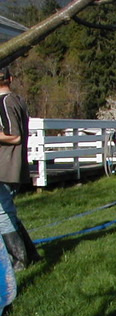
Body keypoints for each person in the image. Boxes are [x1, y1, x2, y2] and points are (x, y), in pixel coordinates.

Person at [0, 66, 40, 271]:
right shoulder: (16, 100)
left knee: (2, 214)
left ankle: (18, 260)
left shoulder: (4, 102)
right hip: (12, 164)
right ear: (11, 79)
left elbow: (14, 135)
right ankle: (31, 254)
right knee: (8, 212)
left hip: (4, 166)